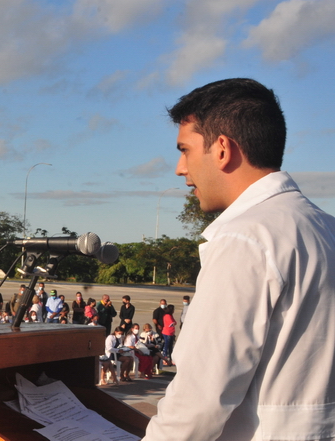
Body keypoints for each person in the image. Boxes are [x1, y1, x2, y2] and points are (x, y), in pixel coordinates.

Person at [144, 78, 335, 441]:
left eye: (185, 150)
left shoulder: (245, 239)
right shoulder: (327, 228)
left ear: (221, 149)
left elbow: (199, 403)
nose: (180, 169)